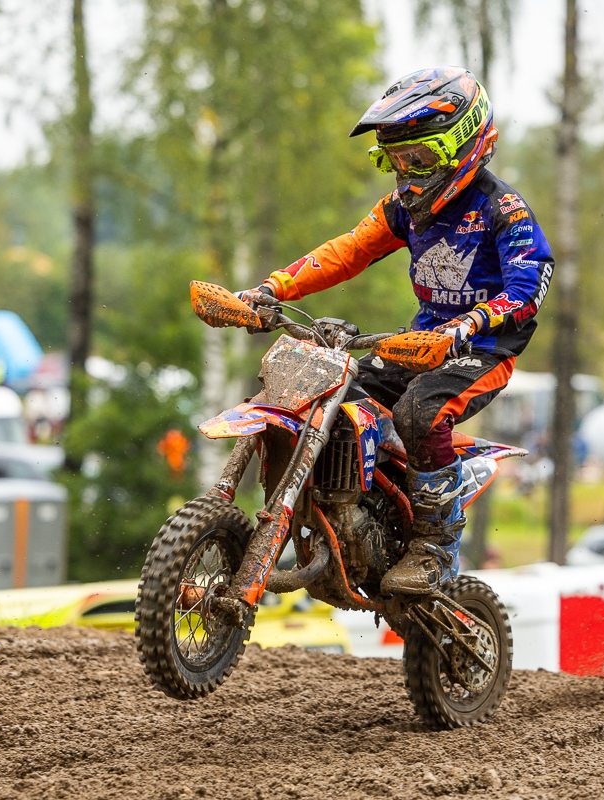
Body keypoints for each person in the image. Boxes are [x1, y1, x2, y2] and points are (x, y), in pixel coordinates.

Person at [237, 67, 554, 594]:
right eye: (396, 160)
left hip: (483, 349)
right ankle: (361, 511)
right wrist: (273, 288)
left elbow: (529, 285)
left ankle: (435, 546)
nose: (408, 174)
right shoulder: (404, 209)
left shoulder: (503, 209)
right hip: (420, 341)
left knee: (419, 412)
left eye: (420, 158)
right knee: (329, 393)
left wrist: (471, 322)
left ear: (465, 143)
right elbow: (349, 250)